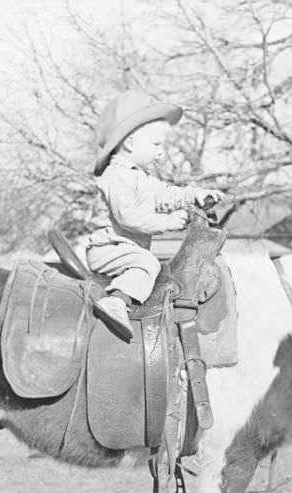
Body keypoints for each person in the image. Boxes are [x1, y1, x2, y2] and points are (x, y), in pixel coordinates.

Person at [86, 90, 223, 340]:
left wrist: (194, 195)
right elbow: (128, 217)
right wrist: (167, 222)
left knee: (151, 265)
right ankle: (117, 301)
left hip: (125, 248)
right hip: (109, 248)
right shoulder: (116, 176)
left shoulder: (138, 176)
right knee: (147, 263)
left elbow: (164, 193)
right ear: (129, 143)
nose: (161, 153)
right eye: (156, 145)